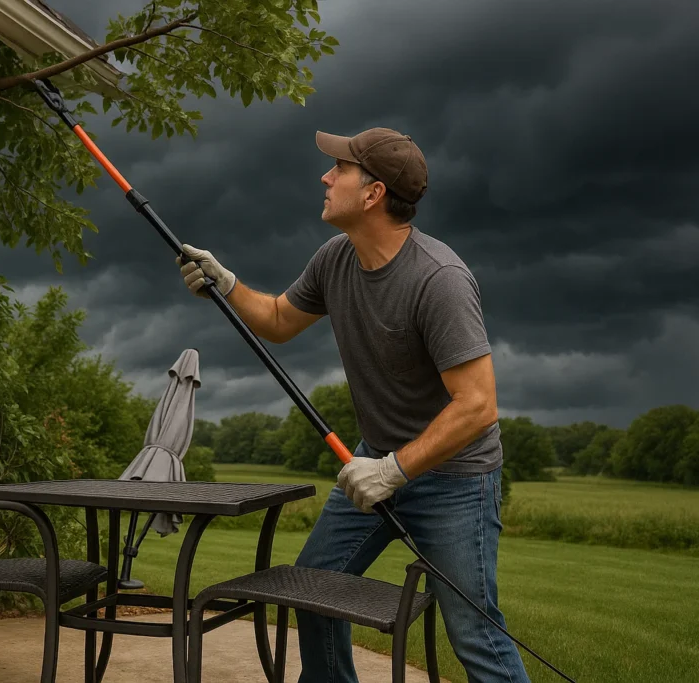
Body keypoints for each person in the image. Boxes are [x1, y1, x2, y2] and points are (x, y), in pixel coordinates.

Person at [177, 127, 529, 683]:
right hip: (374, 461)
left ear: (373, 194)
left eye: (339, 169)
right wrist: (227, 283)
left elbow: (478, 406)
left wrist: (393, 470)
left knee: (475, 634)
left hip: (455, 479)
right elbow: (278, 320)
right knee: (313, 592)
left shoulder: (439, 280)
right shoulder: (335, 259)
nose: (325, 176)